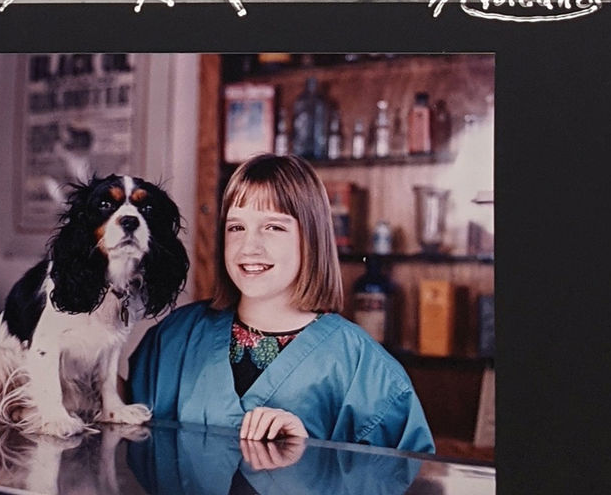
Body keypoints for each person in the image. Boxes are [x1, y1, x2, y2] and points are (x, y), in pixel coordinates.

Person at [128, 153, 434, 454]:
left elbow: (403, 487)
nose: (249, 247)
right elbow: (123, 425)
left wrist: (310, 455)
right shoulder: (177, 337)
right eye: (236, 227)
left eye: (274, 227)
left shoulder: (362, 368)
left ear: (310, 238)